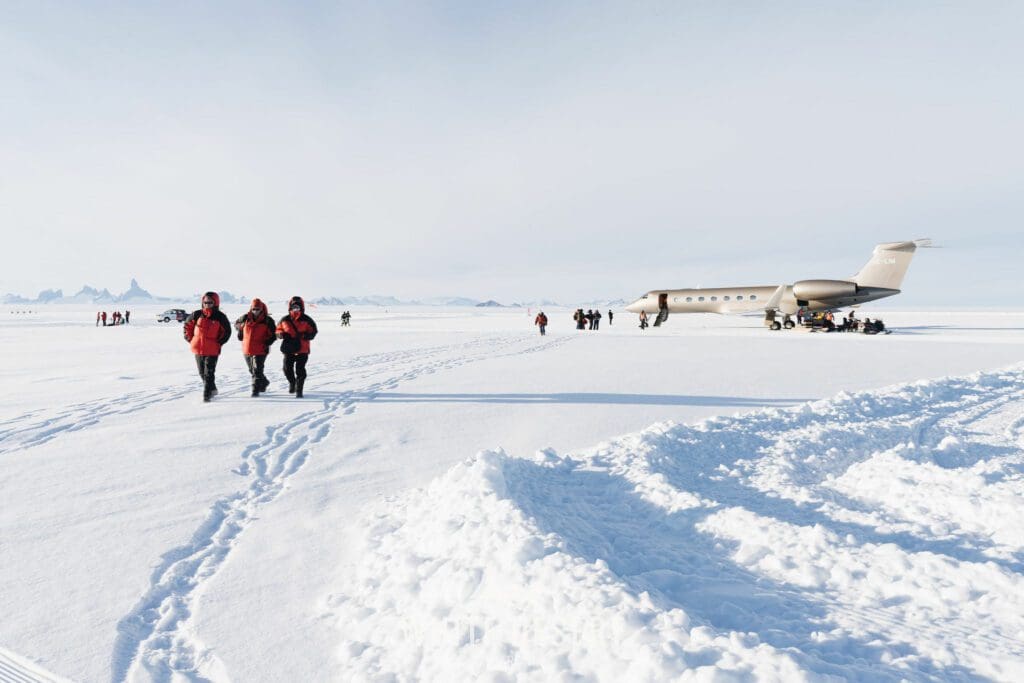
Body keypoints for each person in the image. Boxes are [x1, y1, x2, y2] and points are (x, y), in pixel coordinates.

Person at [184, 291, 232, 402]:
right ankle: (213, 389)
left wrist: (218, 343)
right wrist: (191, 340)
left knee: (209, 372)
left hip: (212, 350)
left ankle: (207, 396)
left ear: (215, 303)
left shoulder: (220, 317)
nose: (207, 304)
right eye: (205, 302)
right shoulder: (196, 314)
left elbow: (226, 332)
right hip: (198, 348)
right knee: (202, 372)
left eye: (210, 302)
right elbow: (187, 327)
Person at [276, 296, 318, 398]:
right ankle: (292, 383)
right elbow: (277, 329)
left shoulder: (307, 319)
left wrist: (305, 336)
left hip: (302, 349)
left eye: (298, 307)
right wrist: (281, 334)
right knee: (287, 369)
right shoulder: (284, 319)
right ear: (290, 307)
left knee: (300, 370)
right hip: (289, 348)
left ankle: (299, 391)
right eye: (294, 307)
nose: (296, 309)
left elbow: (313, 331)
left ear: (302, 308)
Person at [235, 298, 276, 397]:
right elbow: (236, 324)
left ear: (261, 309)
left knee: (257, 370)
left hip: (261, 349)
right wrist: (240, 330)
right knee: (252, 370)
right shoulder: (245, 318)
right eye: (253, 309)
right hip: (247, 348)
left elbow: (274, 334)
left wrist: (267, 343)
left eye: (257, 309)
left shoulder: (267, 320)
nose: (255, 311)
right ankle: (264, 382)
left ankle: (255, 391)